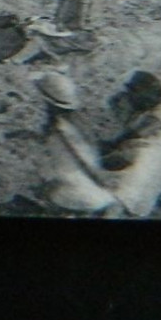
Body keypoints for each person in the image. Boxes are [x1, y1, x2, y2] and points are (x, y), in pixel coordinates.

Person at [35, 72, 121, 216]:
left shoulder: (62, 130)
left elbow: (82, 157)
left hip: (83, 194)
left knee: (45, 192)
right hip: (97, 193)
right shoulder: (77, 124)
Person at [101, 71, 161, 217]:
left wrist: (114, 143)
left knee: (131, 191)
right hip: (136, 152)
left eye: (135, 92)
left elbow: (141, 132)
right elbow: (128, 137)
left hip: (157, 154)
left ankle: (122, 208)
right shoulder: (137, 115)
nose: (132, 96)